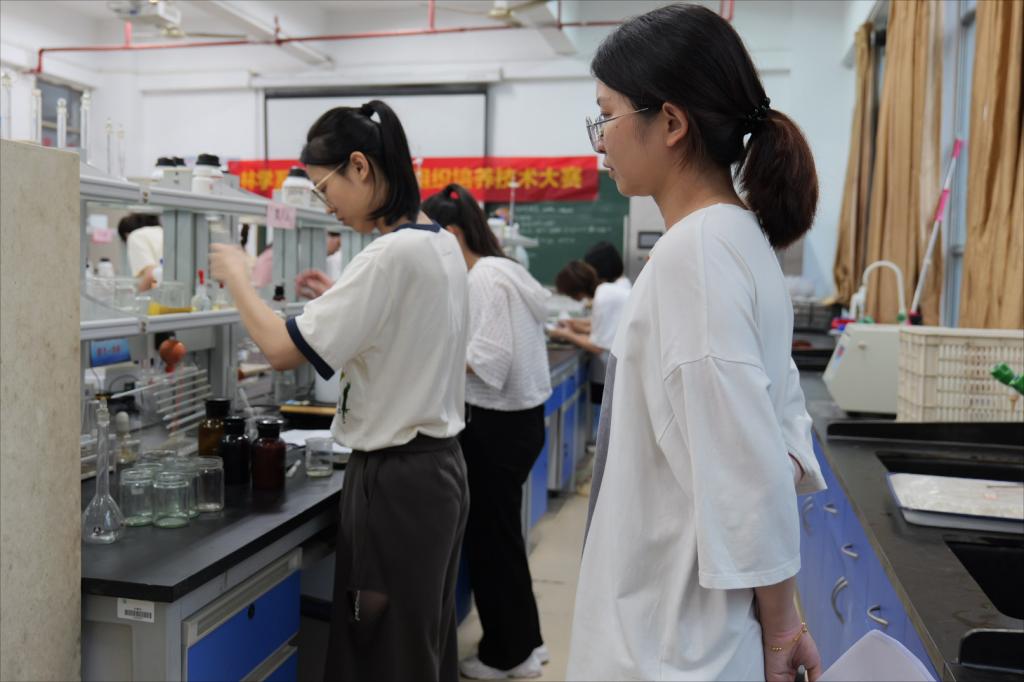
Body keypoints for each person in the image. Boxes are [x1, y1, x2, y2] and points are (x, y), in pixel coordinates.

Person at [566, 5, 827, 682]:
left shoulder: (698, 255)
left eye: (606, 115)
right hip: (693, 627)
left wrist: (783, 630)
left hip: (673, 644)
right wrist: (785, 614)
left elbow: (747, 475)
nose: (599, 141)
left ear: (672, 123)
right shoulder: (739, 240)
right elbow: (775, 439)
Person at [209, 99, 470, 682]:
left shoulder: (390, 255)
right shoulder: (439, 243)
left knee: (377, 645)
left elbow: (280, 349)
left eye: (326, 189)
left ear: (360, 166)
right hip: (440, 470)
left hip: (396, 482)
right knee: (417, 641)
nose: (328, 207)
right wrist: (337, 299)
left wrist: (238, 280)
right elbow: (400, 332)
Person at [423, 184, 552, 680]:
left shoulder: (482, 279)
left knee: (491, 543)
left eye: (430, 238)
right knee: (504, 539)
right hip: (520, 423)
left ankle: (506, 656)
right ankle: (527, 643)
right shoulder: (504, 270)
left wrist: (428, 352)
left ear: (453, 234)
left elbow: (490, 361)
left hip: (496, 428)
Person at [550, 258, 629, 406]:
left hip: (625, 369)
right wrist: (572, 324)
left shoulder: (603, 298)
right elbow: (599, 325)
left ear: (575, 292)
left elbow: (597, 346)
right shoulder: (605, 291)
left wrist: (565, 334)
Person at [117, 212, 163, 290]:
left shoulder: (135, 236)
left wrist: (137, 294)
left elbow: (150, 275)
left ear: (126, 234)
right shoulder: (162, 231)